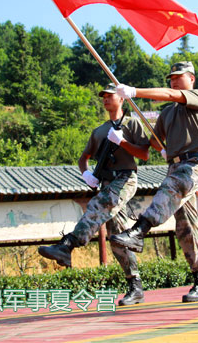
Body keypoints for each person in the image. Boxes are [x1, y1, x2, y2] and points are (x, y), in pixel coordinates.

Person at [38, 83, 150, 306]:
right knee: (117, 238)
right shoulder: (99, 131)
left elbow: (144, 154)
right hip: (106, 182)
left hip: (125, 178)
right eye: (104, 97)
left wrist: (123, 142)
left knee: (100, 204)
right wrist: (86, 174)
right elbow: (83, 157)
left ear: (121, 99)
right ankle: (135, 285)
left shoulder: (132, 123)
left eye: (110, 95)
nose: (106, 99)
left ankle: (67, 245)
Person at [109, 61, 198, 303]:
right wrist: (134, 139)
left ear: (191, 79)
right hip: (175, 165)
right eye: (172, 77)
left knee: (170, 187)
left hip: (195, 163)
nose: (174, 81)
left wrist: (134, 91)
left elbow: (170, 94)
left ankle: (138, 230)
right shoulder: (167, 113)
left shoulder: (197, 98)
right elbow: (155, 142)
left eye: (179, 76)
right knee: (185, 226)